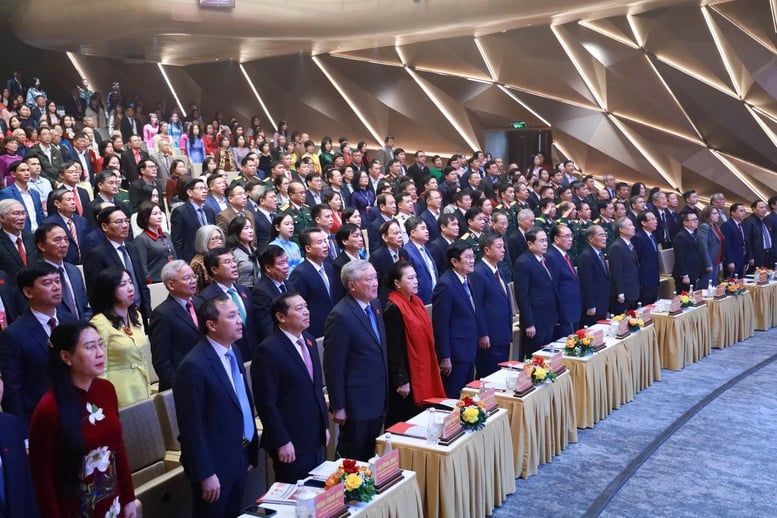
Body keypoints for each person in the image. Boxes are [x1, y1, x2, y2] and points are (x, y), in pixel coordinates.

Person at [28, 321, 137, 517]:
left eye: (100, 344)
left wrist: (129, 498)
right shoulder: (48, 409)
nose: (100, 353)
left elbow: (117, 448)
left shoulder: (106, 390)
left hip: (112, 502)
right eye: (89, 347)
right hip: (75, 507)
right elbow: (42, 479)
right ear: (66, 357)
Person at [174, 294, 258, 517]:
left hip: (239, 454)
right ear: (211, 325)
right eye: (231, 316)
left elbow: (240, 401)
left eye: (238, 314)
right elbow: (191, 427)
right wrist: (205, 473)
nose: (239, 320)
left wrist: (248, 451)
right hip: (214, 464)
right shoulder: (194, 366)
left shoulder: (233, 351)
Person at [251, 292, 329, 483]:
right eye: (299, 308)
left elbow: (316, 388)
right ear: (281, 317)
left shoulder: (308, 340)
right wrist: (281, 441)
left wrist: (325, 425)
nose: (306, 312)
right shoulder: (268, 350)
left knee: (318, 488)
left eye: (306, 306)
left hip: (315, 434)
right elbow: (266, 403)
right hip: (291, 439)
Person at [0, 263, 77, 431]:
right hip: (42, 420)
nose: (56, 287)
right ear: (28, 292)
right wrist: (23, 433)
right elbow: (13, 391)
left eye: (57, 281)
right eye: (47, 283)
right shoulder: (14, 335)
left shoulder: (72, 322)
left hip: (79, 411)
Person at [323, 260, 387, 461]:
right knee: (352, 457)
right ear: (352, 285)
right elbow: (334, 365)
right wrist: (338, 405)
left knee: (370, 455)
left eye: (375, 277)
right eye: (369, 279)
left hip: (378, 396)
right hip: (356, 402)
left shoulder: (375, 305)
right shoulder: (340, 316)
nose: (375, 282)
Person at [383, 261, 445, 425]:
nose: (416, 281)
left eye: (416, 277)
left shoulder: (416, 301)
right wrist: (401, 380)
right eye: (410, 278)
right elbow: (393, 348)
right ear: (397, 283)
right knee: (406, 420)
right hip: (406, 374)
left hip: (422, 366)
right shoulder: (394, 307)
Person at [89, 267, 150, 408]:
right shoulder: (99, 323)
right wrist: (105, 399)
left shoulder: (136, 315)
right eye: (122, 285)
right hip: (118, 392)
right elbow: (98, 369)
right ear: (108, 290)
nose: (130, 288)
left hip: (142, 385)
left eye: (130, 282)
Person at [83, 206, 151, 328]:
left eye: (126, 221)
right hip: (115, 319)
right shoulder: (97, 254)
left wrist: (148, 312)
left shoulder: (133, 248)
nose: (125, 225)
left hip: (140, 314)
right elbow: (95, 294)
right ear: (104, 227)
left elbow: (142, 284)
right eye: (119, 222)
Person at [432, 242, 481, 397]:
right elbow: (441, 325)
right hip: (455, 353)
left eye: (473, 257)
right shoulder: (446, 285)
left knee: (467, 394)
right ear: (454, 261)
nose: (472, 260)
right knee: (454, 395)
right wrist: (445, 356)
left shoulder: (466, 279)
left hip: (468, 348)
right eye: (467, 257)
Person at [195, 248, 258, 361]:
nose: (234, 265)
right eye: (227, 262)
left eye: (234, 260)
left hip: (254, 352)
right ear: (214, 269)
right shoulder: (206, 298)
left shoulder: (245, 291)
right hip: (229, 355)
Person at [149, 260, 202, 391]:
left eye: (193, 276)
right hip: (182, 383)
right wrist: (177, 386)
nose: (193, 281)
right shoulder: (162, 314)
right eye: (186, 278)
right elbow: (161, 360)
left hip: (204, 376)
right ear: (171, 285)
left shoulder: (200, 303)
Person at [288, 227, 344, 338]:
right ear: (308, 248)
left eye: (324, 241)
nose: (325, 245)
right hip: (315, 330)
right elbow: (298, 306)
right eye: (319, 242)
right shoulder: (300, 273)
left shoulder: (329, 267)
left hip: (335, 324)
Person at [513, 228, 559, 356]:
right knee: (535, 357)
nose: (545, 244)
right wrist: (529, 323)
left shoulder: (545, 259)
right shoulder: (523, 263)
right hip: (535, 321)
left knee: (548, 355)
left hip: (548, 318)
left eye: (546, 240)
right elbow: (522, 296)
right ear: (530, 244)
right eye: (541, 241)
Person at [35, 222, 91, 321]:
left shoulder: (74, 271)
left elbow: (84, 308)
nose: (64, 244)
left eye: (66, 240)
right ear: (41, 246)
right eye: (57, 240)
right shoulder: (35, 275)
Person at [545, 225, 582, 337]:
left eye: (571, 236)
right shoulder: (551, 257)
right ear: (556, 239)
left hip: (573, 309)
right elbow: (554, 286)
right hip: (564, 312)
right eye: (567, 236)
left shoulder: (566, 255)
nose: (570, 239)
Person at [252, 245, 294, 342]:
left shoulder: (288, 284)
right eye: (281, 263)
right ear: (268, 267)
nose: (286, 266)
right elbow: (267, 327)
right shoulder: (261, 292)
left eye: (286, 261)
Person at [171, 177, 217, 262]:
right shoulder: (180, 212)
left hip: (211, 257)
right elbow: (177, 241)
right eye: (200, 188)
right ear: (189, 192)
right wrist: (183, 261)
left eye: (205, 188)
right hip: (192, 258)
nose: (204, 191)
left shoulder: (209, 210)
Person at [134, 201, 176, 283]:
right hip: (155, 281)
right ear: (145, 217)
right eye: (155, 214)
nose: (159, 216)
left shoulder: (166, 235)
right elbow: (142, 266)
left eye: (160, 213)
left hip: (172, 278)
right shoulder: (141, 239)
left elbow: (174, 256)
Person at [578, 225, 611, 326]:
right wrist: (590, 305)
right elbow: (586, 283)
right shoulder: (586, 256)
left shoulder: (600, 253)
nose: (604, 238)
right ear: (590, 238)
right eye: (601, 235)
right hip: (594, 306)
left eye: (605, 235)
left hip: (603, 302)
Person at [608, 217, 640, 314]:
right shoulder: (617, 246)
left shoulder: (629, 244)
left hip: (633, 290)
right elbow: (616, 271)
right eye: (630, 225)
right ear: (621, 229)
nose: (633, 227)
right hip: (624, 293)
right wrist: (620, 292)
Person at [632, 210, 661, 305]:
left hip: (654, 279)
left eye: (655, 219)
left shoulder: (652, 235)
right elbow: (636, 261)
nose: (655, 221)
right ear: (643, 222)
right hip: (644, 281)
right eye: (652, 219)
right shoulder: (638, 238)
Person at [673, 211, 703, 292]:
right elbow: (680, 257)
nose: (696, 221)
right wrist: (684, 275)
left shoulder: (694, 233)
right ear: (685, 222)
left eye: (697, 219)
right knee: (685, 298)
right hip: (685, 274)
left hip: (694, 272)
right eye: (693, 220)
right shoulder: (681, 236)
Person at [189, 224, 225, 291]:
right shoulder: (197, 263)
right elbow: (194, 291)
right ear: (204, 240)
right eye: (215, 238)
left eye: (221, 238)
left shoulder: (220, 257)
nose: (220, 242)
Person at [227, 215, 258, 288]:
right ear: (237, 231)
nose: (250, 231)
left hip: (258, 289)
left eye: (251, 227)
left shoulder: (254, 249)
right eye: (246, 228)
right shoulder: (233, 253)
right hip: (243, 290)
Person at [722, 203, 749, 278]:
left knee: (741, 282)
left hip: (742, 258)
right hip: (733, 259)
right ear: (733, 212)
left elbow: (745, 242)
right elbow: (727, 245)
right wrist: (730, 261)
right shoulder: (727, 225)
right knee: (732, 283)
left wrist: (747, 260)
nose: (744, 213)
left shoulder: (742, 225)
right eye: (741, 211)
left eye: (744, 211)